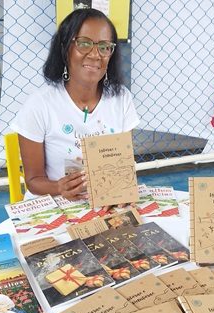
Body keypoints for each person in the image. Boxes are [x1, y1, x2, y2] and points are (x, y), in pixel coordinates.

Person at [12, 9, 139, 202]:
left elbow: (121, 165)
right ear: (65, 48)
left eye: (104, 47)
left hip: (105, 202)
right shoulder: (39, 105)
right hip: (54, 203)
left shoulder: (122, 99)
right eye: (84, 43)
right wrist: (58, 187)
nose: (96, 54)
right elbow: (33, 181)